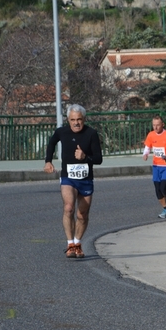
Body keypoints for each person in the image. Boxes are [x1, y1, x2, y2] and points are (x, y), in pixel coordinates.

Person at [44, 104, 104, 259]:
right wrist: (48, 161)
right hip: (68, 177)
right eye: (73, 120)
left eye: (79, 119)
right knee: (69, 208)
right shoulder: (61, 132)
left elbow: (99, 159)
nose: (76, 123)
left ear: (84, 119)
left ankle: (77, 243)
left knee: (82, 214)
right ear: (68, 120)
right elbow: (51, 143)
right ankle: (70, 244)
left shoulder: (91, 133)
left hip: (85, 179)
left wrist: (85, 157)